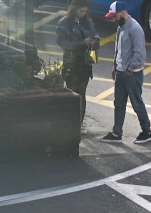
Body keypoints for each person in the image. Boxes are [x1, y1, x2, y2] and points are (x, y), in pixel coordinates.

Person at [101, 0, 151, 144]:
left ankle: (146, 131)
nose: (113, 19)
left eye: (114, 16)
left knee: (137, 103)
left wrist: (129, 69)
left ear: (122, 13)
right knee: (119, 103)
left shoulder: (135, 29)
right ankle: (117, 132)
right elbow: (119, 50)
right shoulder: (121, 26)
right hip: (120, 72)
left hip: (132, 74)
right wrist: (115, 67)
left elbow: (140, 55)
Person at [56, 0, 98, 129]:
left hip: (85, 61)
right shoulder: (64, 23)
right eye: (81, 11)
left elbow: (96, 35)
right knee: (72, 92)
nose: (83, 13)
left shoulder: (88, 22)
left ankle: (80, 122)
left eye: (85, 11)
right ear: (74, 9)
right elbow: (62, 42)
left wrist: (94, 42)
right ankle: (72, 121)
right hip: (72, 61)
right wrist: (81, 42)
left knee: (82, 93)